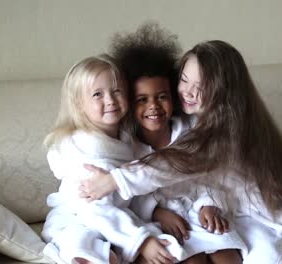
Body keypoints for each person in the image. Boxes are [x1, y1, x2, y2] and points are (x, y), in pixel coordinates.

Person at [81, 41, 282, 264]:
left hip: (261, 206)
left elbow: (177, 161)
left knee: (268, 252)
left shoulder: (226, 126)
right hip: (226, 206)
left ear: (224, 91)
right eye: (185, 80)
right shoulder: (184, 124)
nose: (189, 91)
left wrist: (114, 180)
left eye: (202, 85)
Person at [110, 23, 246, 263]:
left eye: (162, 96)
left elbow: (211, 175)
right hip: (157, 219)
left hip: (197, 210)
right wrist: (156, 211)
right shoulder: (125, 144)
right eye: (142, 99)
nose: (153, 106)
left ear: (173, 97)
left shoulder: (189, 131)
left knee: (228, 255)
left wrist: (208, 205)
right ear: (130, 104)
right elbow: (128, 194)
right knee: (191, 259)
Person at [40, 54, 180, 264]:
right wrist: (141, 241)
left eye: (116, 91)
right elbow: (95, 210)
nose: (110, 100)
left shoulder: (126, 142)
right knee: (92, 252)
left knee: (167, 249)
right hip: (79, 221)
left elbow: (131, 190)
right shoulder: (86, 156)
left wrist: (155, 211)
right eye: (97, 94)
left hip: (114, 221)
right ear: (79, 104)